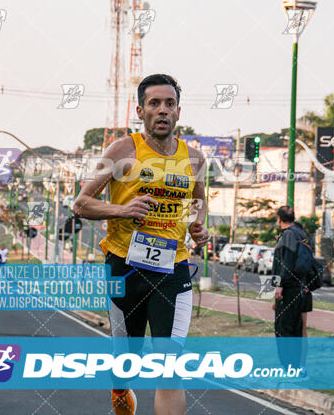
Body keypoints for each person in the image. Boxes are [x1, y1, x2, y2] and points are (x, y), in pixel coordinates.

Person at [74, 74, 208, 415]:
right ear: (140, 110)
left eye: (169, 104)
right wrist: (121, 209)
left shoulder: (195, 159)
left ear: (179, 112)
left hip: (172, 269)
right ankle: (120, 388)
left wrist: (198, 227)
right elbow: (81, 204)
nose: (162, 110)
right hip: (125, 267)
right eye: (154, 103)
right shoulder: (122, 150)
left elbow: (198, 202)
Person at [272, 206, 311, 370]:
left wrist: (278, 286)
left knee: (283, 328)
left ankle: (289, 367)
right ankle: (299, 367)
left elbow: (285, 263)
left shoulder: (287, 235)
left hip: (288, 289)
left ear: (279, 219)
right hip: (302, 288)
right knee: (297, 329)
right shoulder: (302, 233)